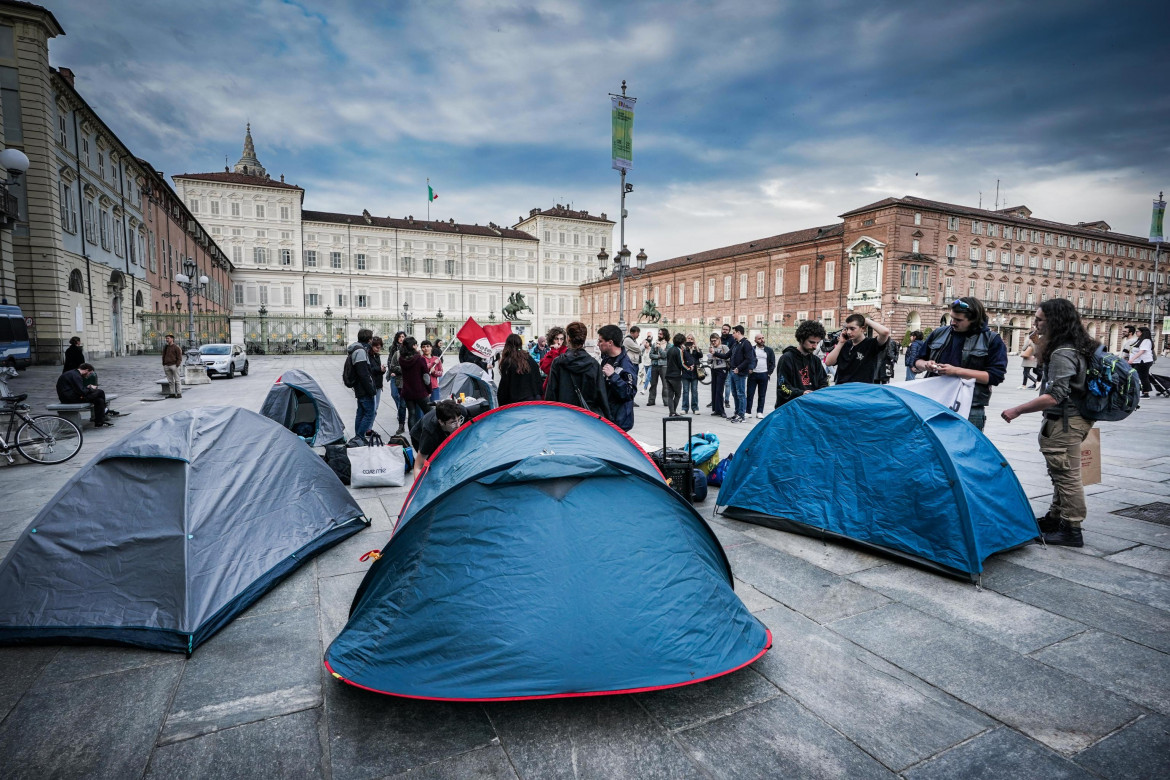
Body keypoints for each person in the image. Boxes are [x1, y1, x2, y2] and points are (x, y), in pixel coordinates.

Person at [1001, 299, 1098, 547]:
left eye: (1039, 319)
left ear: (1055, 321)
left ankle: (1071, 529)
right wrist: (1037, 338)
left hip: (1065, 422)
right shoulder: (1071, 346)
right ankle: (1056, 518)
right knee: (1062, 473)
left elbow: (1054, 395)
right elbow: (1043, 361)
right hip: (1072, 419)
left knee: (1067, 477)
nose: (1035, 323)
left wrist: (1017, 410)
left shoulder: (1063, 352)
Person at [914, 297, 1008, 431]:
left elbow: (995, 376)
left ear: (974, 320)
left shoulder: (991, 340)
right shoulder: (939, 333)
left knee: (965, 450)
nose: (952, 322)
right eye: (951, 318)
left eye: (958, 320)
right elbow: (917, 361)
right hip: (934, 402)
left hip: (970, 407)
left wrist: (957, 371)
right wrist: (926, 365)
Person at [544, 321, 612, 421]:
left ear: (568, 338)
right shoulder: (594, 365)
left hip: (564, 416)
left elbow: (551, 394)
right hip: (587, 417)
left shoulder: (558, 363)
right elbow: (601, 395)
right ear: (584, 339)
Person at [776, 320, 829, 408]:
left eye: (817, 343)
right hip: (790, 409)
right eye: (811, 342)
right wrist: (801, 393)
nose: (815, 346)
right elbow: (783, 387)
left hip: (811, 408)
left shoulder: (816, 360)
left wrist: (821, 391)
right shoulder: (787, 358)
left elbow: (824, 381)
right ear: (801, 339)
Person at [826, 313, 891, 385]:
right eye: (847, 329)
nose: (848, 332)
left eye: (852, 329)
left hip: (861, 390)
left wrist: (866, 320)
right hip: (841, 388)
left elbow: (885, 332)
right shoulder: (844, 344)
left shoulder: (871, 344)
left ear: (862, 328)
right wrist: (840, 343)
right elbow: (828, 362)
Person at [597, 324, 638, 431]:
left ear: (610, 343)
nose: (598, 344)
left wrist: (613, 376)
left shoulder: (626, 365)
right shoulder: (607, 359)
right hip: (607, 416)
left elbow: (630, 393)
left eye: (601, 341)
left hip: (619, 420)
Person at [56, 363, 111, 427]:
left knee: (99, 400)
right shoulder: (76, 376)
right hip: (71, 399)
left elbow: (78, 389)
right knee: (100, 392)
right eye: (89, 373)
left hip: (70, 396)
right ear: (86, 370)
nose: (89, 375)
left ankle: (99, 422)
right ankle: (104, 409)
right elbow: (82, 392)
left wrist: (87, 388)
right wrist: (91, 388)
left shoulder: (73, 373)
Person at [497, 333, 543, 405]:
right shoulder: (529, 358)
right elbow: (538, 379)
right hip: (535, 399)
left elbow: (504, 386)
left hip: (518, 402)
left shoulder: (508, 362)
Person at [347, 329, 377, 438]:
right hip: (363, 388)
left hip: (360, 387)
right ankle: (359, 437)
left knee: (361, 412)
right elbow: (363, 373)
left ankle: (358, 437)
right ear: (369, 339)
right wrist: (371, 389)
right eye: (371, 338)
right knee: (369, 413)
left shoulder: (357, 349)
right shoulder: (360, 351)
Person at [397, 336, 431, 429]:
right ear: (413, 346)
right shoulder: (420, 359)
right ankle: (428, 431)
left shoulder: (401, 359)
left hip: (407, 391)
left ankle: (413, 434)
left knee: (412, 413)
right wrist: (429, 390)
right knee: (429, 412)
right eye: (416, 344)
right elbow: (426, 377)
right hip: (420, 391)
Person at [727, 325, 756, 422]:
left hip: (740, 373)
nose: (732, 334)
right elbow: (727, 355)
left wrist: (738, 368)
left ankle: (742, 415)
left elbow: (749, 359)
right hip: (732, 372)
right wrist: (715, 353)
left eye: (734, 332)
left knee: (741, 394)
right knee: (735, 394)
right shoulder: (736, 344)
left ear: (739, 332)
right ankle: (737, 413)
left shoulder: (746, 343)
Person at [746, 333, 775, 417]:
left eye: (762, 338)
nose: (762, 340)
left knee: (762, 394)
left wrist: (769, 373)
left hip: (764, 374)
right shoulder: (752, 349)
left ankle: (760, 412)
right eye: (759, 339)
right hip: (753, 374)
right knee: (750, 393)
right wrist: (749, 369)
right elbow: (747, 360)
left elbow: (772, 362)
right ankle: (748, 411)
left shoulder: (769, 350)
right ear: (755, 340)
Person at [386, 331, 408, 435]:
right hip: (395, 376)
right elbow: (390, 361)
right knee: (394, 395)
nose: (401, 338)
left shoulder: (409, 349)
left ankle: (401, 417)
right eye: (400, 337)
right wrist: (391, 371)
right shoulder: (394, 348)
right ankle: (400, 412)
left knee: (403, 402)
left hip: (405, 379)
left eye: (403, 336)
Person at [1129, 326, 1155, 399]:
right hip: (1138, 361)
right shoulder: (1139, 340)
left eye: (1138, 331)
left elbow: (1141, 351)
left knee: (1143, 376)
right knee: (1140, 376)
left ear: (1142, 333)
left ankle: (1146, 393)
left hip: (1144, 361)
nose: (1136, 332)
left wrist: (1132, 359)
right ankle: (1144, 391)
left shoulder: (1146, 341)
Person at [708, 333, 730, 418]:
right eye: (712, 341)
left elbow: (727, 357)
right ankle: (716, 409)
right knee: (714, 389)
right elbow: (709, 361)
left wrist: (716, 354)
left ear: (719, 339)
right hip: (714, 369)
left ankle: (722, 410)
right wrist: (710, 357)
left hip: (722, 369)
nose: (713, 342)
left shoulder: (724, 347)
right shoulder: (712, 348)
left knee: (719, 390)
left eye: (715, 340)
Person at [663, 332, 685, 416]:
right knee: (678, 394)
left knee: (670, 395)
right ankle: (673, 411)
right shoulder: (678, 350)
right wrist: (689, 368)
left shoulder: (670, 350)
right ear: (682, 342)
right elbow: (681, 363)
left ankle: (671, 411)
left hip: (668, 374)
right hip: (676, 376)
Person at [539, 326, 567, 392]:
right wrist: (554, 351)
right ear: (552, 340)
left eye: (561, 339)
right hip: (551, 383)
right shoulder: (551, 352)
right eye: (556, 339)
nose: (559, 342)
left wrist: (554, 351)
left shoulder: (566, 352)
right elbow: (545, 368)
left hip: (561, 385)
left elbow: (556, 369)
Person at [647, 328, 669, 406]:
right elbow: (650, 355)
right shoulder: (654, 344)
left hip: (664, 366)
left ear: (665, 335)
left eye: (661, 334)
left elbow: (665, 355)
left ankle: (666, 401)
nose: (659, 335)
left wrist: (659, 348)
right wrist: (658, 356)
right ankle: (651, 400)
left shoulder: (669, 345)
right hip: (655, 365)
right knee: (653, 384)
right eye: (658, 334)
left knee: (665, 384)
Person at [680, 333, 701, 414]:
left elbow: (700, 355)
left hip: (695, 373)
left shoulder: (696, 349)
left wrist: (696, 348)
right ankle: (684, 408)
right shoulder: (683, 349)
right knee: (685, 391)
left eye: (692, 339)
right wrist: (685, 349)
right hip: (686, 372)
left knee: (694, 391)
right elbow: (682, 360)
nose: (690, 340)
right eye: (688, 338)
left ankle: (695, 408)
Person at [368, 336, 386, 432]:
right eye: (376, 347)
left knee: (375, 408)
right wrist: (379, 369)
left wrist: (382, 370)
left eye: (379, 347)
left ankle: (369, 428)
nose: (378, 349)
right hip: (372, 384)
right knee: (372, 408)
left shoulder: (377, 355)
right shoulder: (368, 356)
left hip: (378, 384)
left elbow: (378, 370)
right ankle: (368, 428)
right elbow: (369, 370)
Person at [162, 333, 184, 398]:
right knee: (170, 381)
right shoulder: (166, 347)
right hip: (167, 365)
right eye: (166, 338)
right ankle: (172, 393)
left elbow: (179, 357)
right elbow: (163, 355)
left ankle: (179, 393)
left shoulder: (176, 347)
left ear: (172, 339)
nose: (167, 340)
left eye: (168, 338)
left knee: (177, 380)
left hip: (174, 365)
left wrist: (177, 365)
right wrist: (164, 364)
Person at [720, 323, 734, 408]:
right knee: (718, 384)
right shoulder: (719, 339)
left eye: (726, 329)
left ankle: (727, 400)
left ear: (729, 331)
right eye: (723, 329)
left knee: (727, 383)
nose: (724, 331)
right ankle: (717, 399)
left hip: (728, 364)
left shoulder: (732, 339)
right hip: (719, 364)